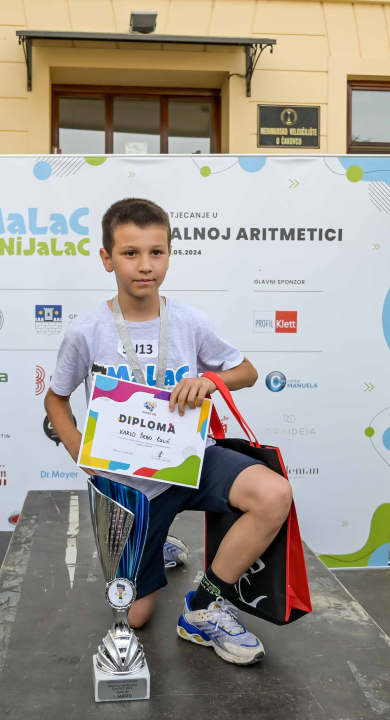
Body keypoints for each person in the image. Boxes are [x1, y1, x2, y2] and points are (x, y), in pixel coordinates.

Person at [44, 197, 292, 666]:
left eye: (156, 252)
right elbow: (55, 399)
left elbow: (248, 370)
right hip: (132, 484)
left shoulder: (189, 321)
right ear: (106, 259)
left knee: (274, 494)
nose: (145, 265)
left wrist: (210, 379)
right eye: (130, 253)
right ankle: (158, 545)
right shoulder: (86, 331)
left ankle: (201, 608)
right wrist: (84, 453)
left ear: (170, 254)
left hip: (190, 459)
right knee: (135, 616)